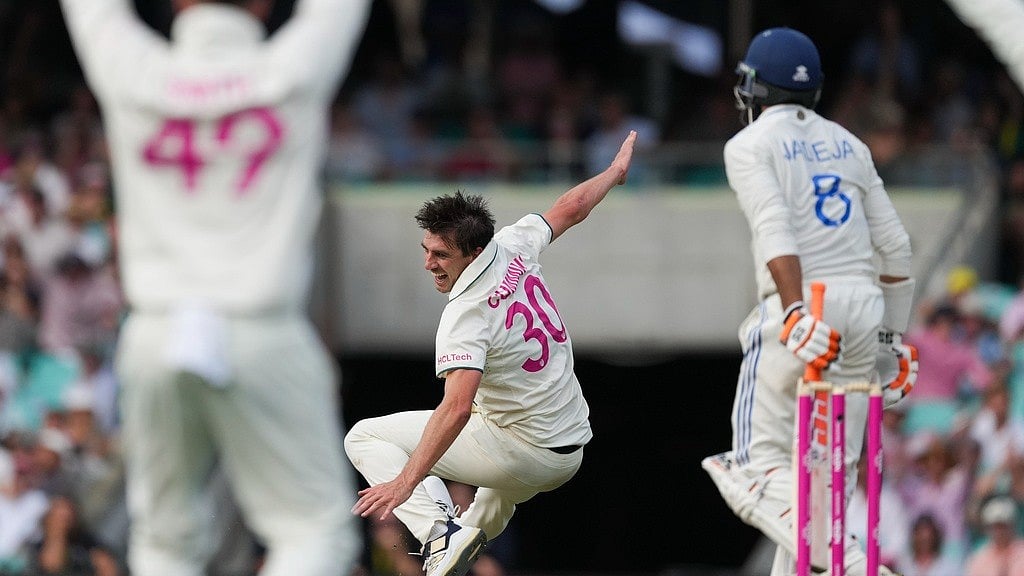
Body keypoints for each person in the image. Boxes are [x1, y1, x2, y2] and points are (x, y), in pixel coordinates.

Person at [56, 0, 371, 575]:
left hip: (154, 333)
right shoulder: (296, 64)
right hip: (262, 328)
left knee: (164, 541)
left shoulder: (133, 66)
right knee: (315, 532)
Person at [345, 131, 636, 576]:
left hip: (524, 451)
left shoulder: (465, 315)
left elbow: (456, 408)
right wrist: (613, 173)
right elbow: (572, 207)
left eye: (441, 255)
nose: (429, 264)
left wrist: (406, 483)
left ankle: (439, 532)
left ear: (474, 252)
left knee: (363, 437)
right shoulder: (513, 243)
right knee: (493, 493)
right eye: (426, 250)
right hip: (571, 447)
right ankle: (455, 553)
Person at [700, 28, 917, 576]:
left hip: (801, 307)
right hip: (865, 311)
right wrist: (890, 342)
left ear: (755, 88)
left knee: (749, 468)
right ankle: (837, 556)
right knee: (817, 486)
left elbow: (776, 227)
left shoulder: (748, 144)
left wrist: (796, 309)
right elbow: (894, 248)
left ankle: (852, 561)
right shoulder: (851, 143)